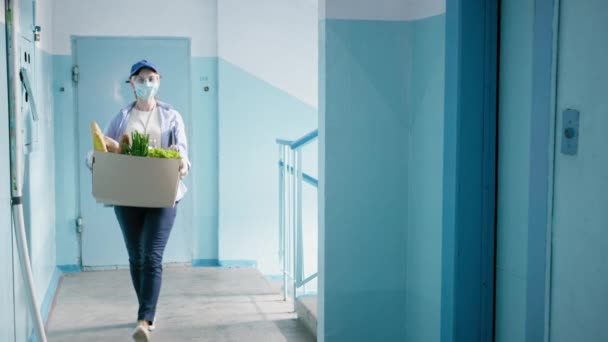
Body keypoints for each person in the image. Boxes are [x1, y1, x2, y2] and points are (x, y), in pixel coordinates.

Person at [91, 60, 190, 342]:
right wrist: (94, 159)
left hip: (163, 194)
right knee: (136, 257)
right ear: (132, 84)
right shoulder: (122, 117)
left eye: (152, 78)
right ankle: (147, 310)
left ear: (159, 82)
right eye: (141, 79)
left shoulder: (171, 116)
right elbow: (105, 147)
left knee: (152, 256)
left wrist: (182, 163)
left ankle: (144, 319)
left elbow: (182, 151)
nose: (147, 83)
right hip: (128, 195)